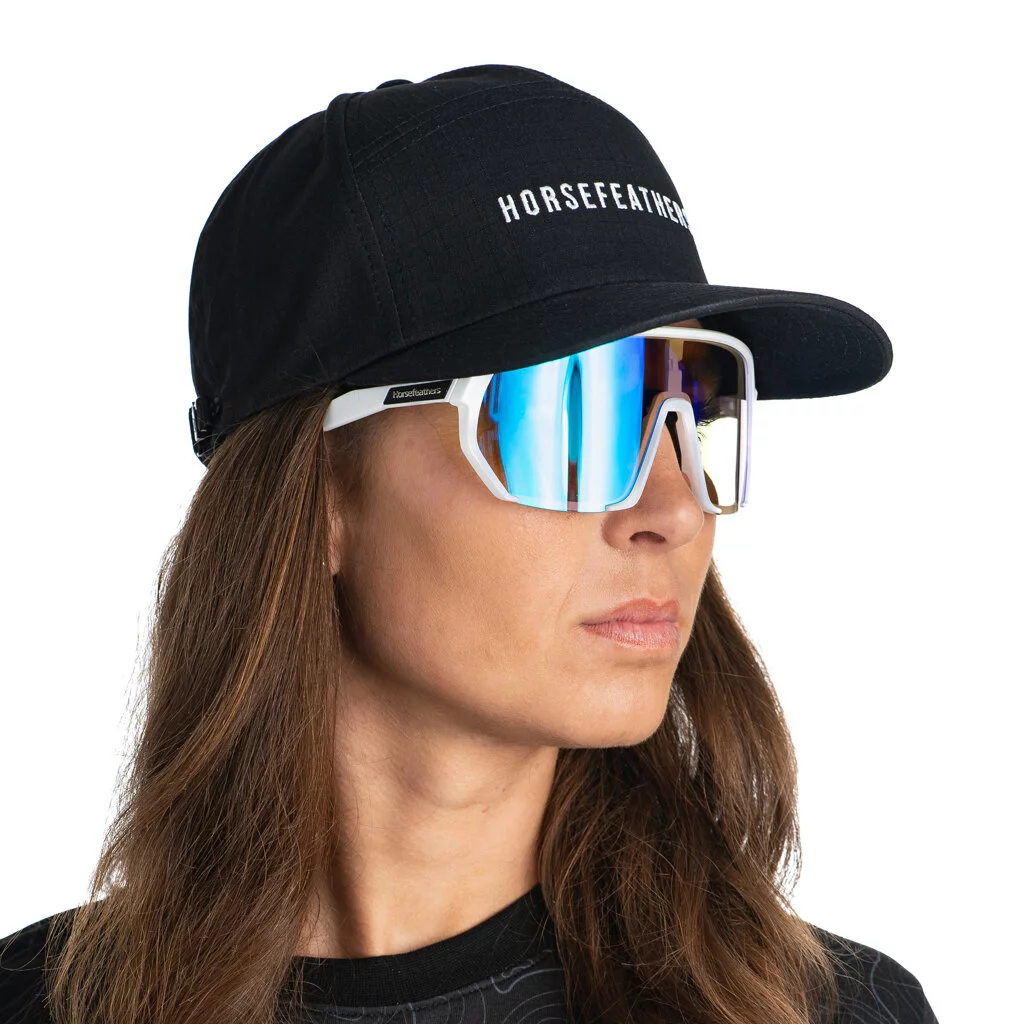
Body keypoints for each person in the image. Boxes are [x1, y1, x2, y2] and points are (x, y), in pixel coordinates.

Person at [0, 64, 938, 1024]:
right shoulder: (44, 1004)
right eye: (571, 416)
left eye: (695, 407)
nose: (676, 508)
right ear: (320, 494)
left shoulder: (822, 1009)